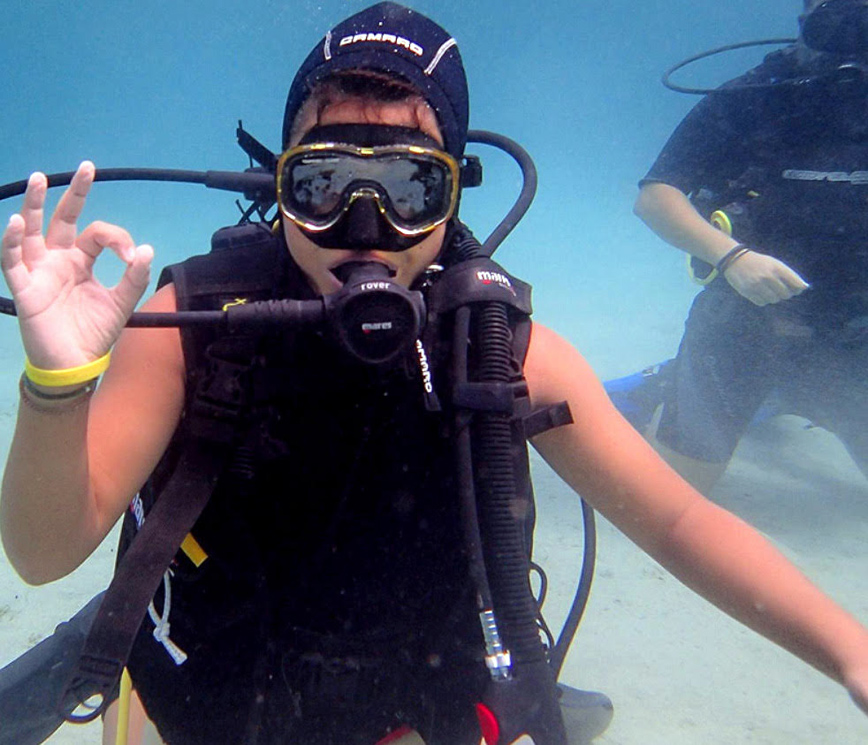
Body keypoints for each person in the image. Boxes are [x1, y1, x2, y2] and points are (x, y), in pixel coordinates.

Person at [2, 3, 868, 744]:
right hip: (201, 710)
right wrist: (57, 384)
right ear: (278, 185)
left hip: (417, 715)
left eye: (410, 189)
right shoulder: (191, 327)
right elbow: (41, 552)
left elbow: (677, 520)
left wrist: (846, 647)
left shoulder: (504, 351)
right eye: (325, 183)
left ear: (455, 193)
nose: (363, 226)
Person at [633, 0, 868, 493]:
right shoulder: (758, 95)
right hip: (746, 321)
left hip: (858, 331)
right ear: (805, 17)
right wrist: (734, 257)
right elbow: (656, 197)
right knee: (677, 493)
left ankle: (786, 397)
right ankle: (666, 387)